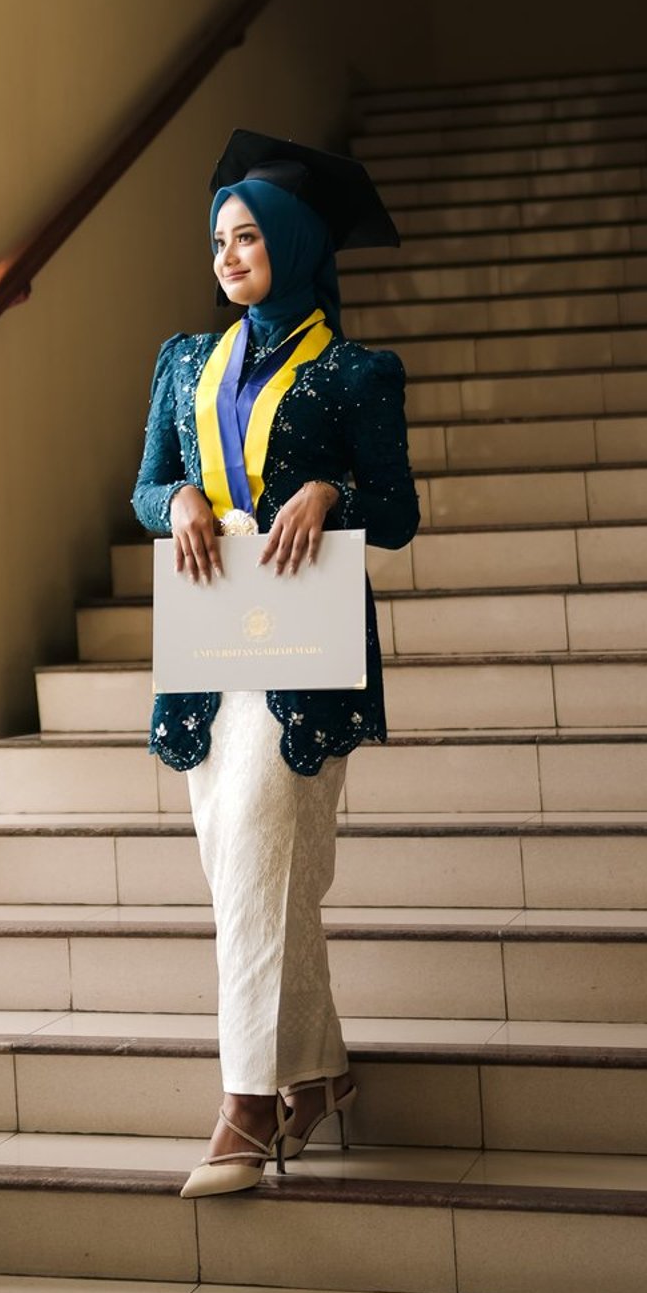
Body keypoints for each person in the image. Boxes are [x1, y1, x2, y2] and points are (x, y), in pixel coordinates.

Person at [132, 129, 420, 1199]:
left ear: (293, 243)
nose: (228, 256)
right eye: (219, 240)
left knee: (258, 850)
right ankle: (321, 1073)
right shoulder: (182, 363)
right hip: (210, 643)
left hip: (305, 649)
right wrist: (180, 499)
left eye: (249, 237)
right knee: (245, 864)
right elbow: (145, 485)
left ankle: (248, 1104)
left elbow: (398, 512)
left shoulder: (355, 373)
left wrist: (330, 489)